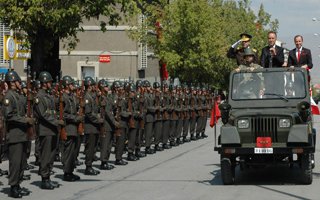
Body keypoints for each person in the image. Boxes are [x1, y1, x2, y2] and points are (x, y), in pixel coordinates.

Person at [3, 71, 32, 197]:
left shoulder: (17, 95)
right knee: (15, 163)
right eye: (18, 82)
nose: (20, 83)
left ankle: (18, 184)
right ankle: (13, 186)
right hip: (15, 135)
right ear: (12, 83)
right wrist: (25, 120)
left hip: (22, 134)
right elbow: (9, 116)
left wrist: (28, 96)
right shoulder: (9, 97)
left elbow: (23, 105)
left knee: (21, 162)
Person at [34, 71, 64, 190]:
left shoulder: (48, 95)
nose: (51, 84)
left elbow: (52, 111)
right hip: (45, 130)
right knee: (46, 156)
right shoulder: (39, 97)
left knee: (51, 155)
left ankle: (48, 177)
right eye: (49, 82)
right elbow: (43, 114)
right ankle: (44, 179)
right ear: (44, 83)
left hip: (52, 130)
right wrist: (56, 121)